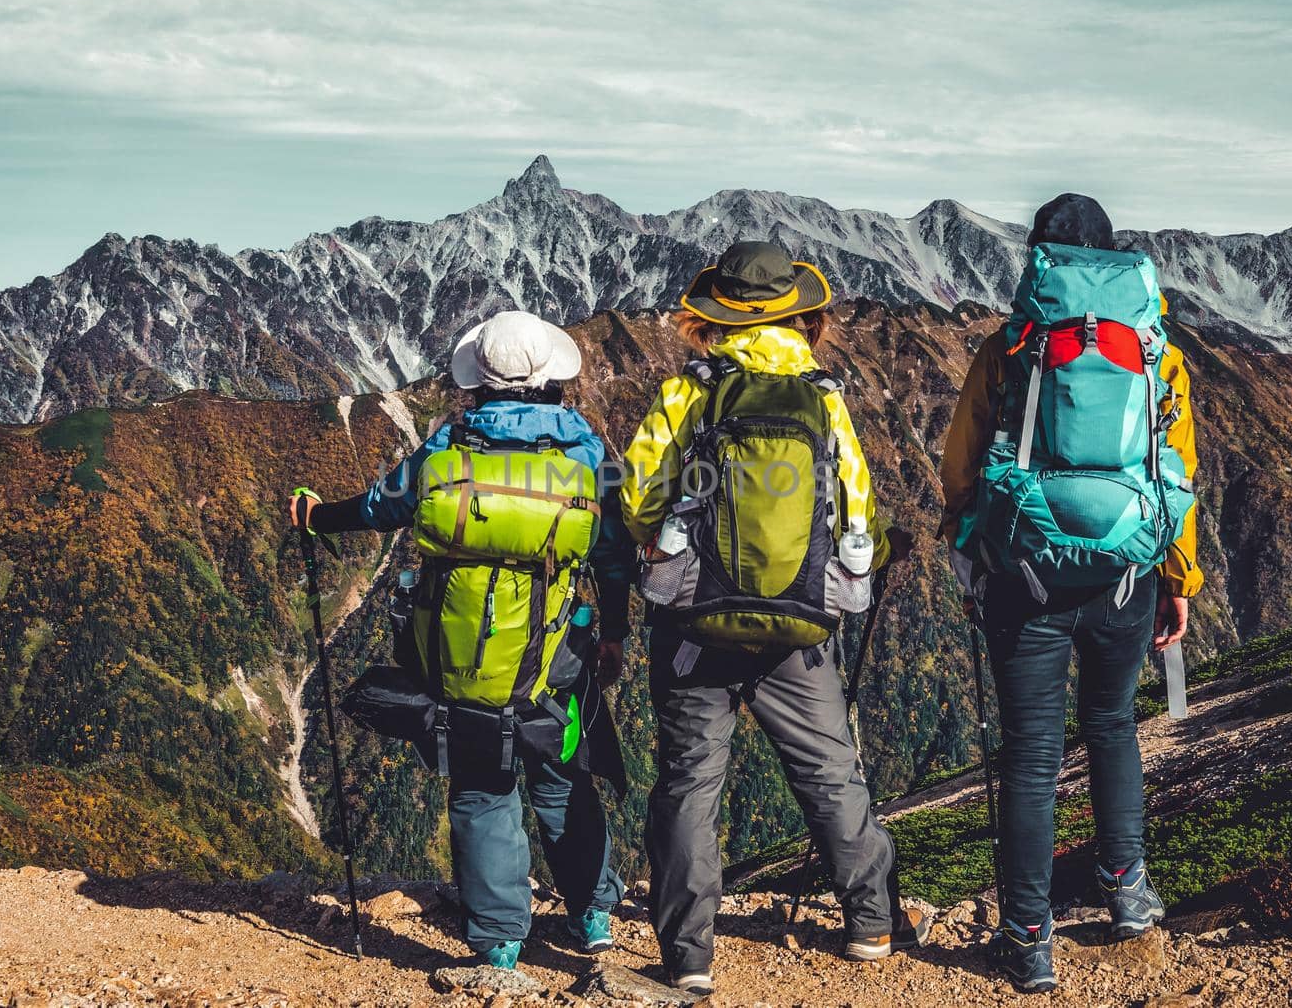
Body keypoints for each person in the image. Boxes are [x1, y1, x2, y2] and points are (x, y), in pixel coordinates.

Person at [619, 240, 927, 997]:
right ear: (800, 311)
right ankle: (871, 923)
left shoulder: (689, 390)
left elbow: (636, 499)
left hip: (697, 619)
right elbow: (858, 510)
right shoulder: (822, 395)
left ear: (717, 313)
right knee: (829, 771)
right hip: (800, 625)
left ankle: (689, 956)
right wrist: (885, 547)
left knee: (692, 783)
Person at [289, 309, 630, 971]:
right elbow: (613, 557)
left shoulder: (445, 453)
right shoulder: (586, 458)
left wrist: (314, 515)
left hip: (461, 661)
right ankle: (592, 914)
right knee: (562, 778)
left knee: (481, 788)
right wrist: (612, 632)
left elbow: (376, 507)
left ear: (480, 383)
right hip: (552, 664)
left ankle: (500, 942)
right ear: (553, 382)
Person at [941, 194, 1201, 994]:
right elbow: (1175, 466)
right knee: (1113, 725)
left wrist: (968, 552)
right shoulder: (1156, 348)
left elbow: (960, 467)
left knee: (1031, 758)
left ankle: (1027, 937)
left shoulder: (1010, 346)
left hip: (1027, 578)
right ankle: (1125, 890)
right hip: (1125, 575)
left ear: (1040, 259)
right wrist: (1178, 578)